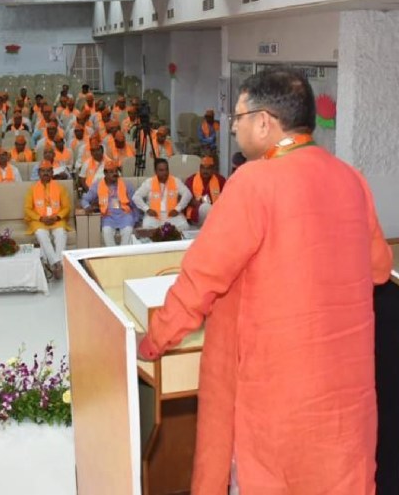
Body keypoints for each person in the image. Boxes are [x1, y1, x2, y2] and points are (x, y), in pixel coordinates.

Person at [137, 67, 393, 495]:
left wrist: (154, 339)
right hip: (344, 405)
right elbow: (379, 268)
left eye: (237, 117)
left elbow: (201, 279)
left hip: (278, 400)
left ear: (263, 122)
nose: (232, 127)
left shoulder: (253, 182)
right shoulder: (352, 178)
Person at [24, 160, 71, 280]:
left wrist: (57, 217)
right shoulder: (32, 189)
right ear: (39, 173)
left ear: (52, 172)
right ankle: (57, 263)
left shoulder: (60, 188)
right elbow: (27, 209)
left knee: (61, 234)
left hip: (56, 219)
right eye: (43, 171)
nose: (45, 173)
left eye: (48, 171)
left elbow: (66, 207)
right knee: (41, 234)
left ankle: (56, 265)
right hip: (39, 221)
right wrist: (40, 218)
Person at [79, 160, 139, 246]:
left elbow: (135, 202)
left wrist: (136, 219)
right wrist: (87, 207)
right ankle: (113, 253)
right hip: (108, 216)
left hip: (124, 215)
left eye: (116, 171)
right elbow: (84, 199)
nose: (115, 174)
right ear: (105, 173)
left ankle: (123, 253)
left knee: (128, 230)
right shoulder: (98, 185)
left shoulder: (126, 184)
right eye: (111, 172)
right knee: (106, 231)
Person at [132, 158, 191, 230]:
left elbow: (187, 194)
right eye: (161, 170)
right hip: (154, 215)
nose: (165, 172)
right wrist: (147, 209)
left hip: (171, 215)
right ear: (156, 171)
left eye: (166, 169)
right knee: (147, 227)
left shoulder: (175, 181)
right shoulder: (149, 182)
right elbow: (136, 197)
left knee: (184, 226)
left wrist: (178, 209)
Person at [184, 156, 226, 226]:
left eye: (208, 168)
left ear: (213, 169)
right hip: (196, 215)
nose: (205, 171)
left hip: (216, 213)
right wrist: (200, 204)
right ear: (200, 168)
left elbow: (226, 198)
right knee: (205, 208)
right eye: (203, 168)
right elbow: (186, 198)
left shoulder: (220, 180)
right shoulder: (191, 180)